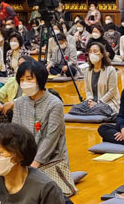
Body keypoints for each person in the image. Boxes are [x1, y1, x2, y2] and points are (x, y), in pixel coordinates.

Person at [12, 60, 76, 196]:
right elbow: (16, 133)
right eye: (22, 80)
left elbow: (50, 139)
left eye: (29, 79)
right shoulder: (19, 103)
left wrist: (34, 165)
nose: (25, 83)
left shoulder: (54, 104)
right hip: (25, 159)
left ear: (40, 79)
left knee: (39, 194)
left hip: (51, 160)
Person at [68, 42, 119, 118]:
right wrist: (89, 100)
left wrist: (99, 102)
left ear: (102, 55)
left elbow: (112, 91)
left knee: (99, 109)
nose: (92, 54)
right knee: (74, 109)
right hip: (92, 102)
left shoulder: (110, 70)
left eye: (95, 51)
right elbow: (87, 89)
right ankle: (91, 112)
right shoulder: (87, 71)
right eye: (90, 52)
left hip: (106, 102)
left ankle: (91, 112)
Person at [0, 56, 28, 124]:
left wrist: (13, 103)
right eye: (18, 65)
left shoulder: (33, 82)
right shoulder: (12, 80)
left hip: (27, 114)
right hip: (13, 112)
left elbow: (28, 98)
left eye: (23, 65)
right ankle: (3, 129)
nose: (20, 67)